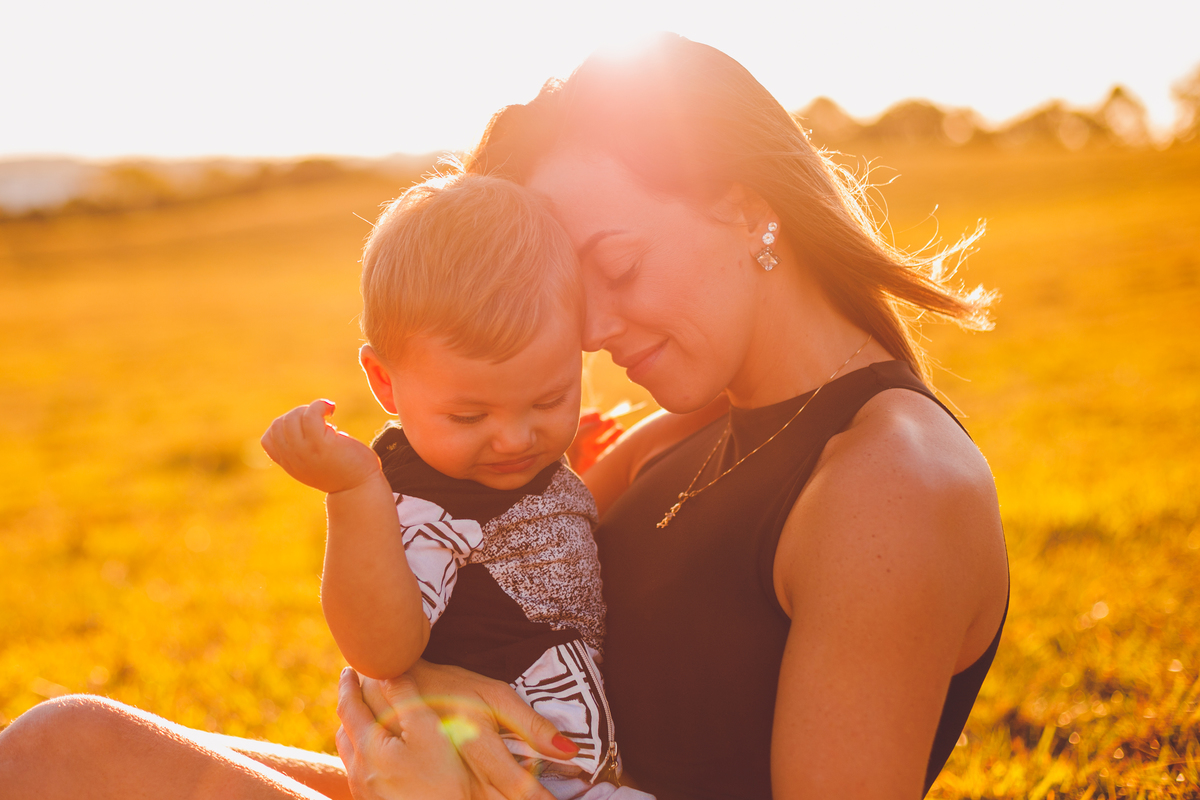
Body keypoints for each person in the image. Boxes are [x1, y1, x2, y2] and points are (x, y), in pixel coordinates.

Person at [0, 34, 1008, 800]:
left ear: (746, 207)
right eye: (573, 294)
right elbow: (425, 632)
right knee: (52, 754)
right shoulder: (668, 439)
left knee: (62, 752)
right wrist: (427, 685)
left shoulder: (892, 486)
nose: (596, 329)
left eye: (613, 265)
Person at [260, 172, 653, 800]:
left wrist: (573, 445)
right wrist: (354, 491)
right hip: (493, 774)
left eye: (550, 398)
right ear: (385, 384)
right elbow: (382, 651)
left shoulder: (512, 465)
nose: (514, 439)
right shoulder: (421, 502)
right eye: (470, 417)